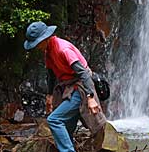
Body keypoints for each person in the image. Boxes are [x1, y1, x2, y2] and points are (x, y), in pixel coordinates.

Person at [24, 21, 106, 152]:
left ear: (45, 39)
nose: (36, 47)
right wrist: (49, 95)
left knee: (54, 120)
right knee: (66, 126)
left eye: (37, 43)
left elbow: (83, 73)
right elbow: (51, 75)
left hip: (81, 88)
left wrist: (90, 97)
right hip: (68, 87)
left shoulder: (63, 49)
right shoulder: (48, 52)